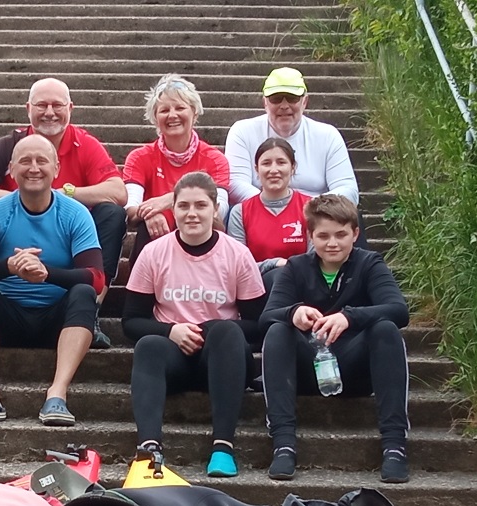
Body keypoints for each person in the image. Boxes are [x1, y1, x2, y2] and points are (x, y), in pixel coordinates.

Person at [0, 77, 125, 348]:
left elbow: (118, 192)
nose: (49, 112)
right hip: (10, 239)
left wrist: (60, 197)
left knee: (111, 214)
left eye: (57, 105)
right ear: (28, 108)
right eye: (41, 105)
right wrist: (15, 200)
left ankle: (90, 314)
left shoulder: (84, 144)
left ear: (71, 108)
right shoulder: (12, 144)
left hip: (69, 241)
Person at [259, 194, 410, 483]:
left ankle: (394, 447)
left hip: (355, 369)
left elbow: (399, 310)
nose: (332, 243)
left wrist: (349, 317)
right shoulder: (295, 267)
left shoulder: (369, 263)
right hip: (306, 371)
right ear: (310, 236)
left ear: (355, 233)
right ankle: (283, 444)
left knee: (386, 329)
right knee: (278, 330)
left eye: (341, 235)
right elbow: (267, 317)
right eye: (323, 235)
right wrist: (294, 312)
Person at [124, 172, 265, 477]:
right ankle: (149, 449)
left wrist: (211, 328)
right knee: (148, 344)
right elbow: (130, 322)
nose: (191, 213)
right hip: (174, 358)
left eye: (200, 205)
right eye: (183, 205)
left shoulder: (237, 254)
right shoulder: (153, 252)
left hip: (223, 360)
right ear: (172, 209)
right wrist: (170, 331)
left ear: (215, 209)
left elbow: (258, 325)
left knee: (227, 330)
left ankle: (223, 446)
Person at [0, 134, 104, 427]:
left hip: (56, 321)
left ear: (57, 168)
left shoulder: (75, 213)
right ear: (11, 169)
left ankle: (57, 394)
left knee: (84, 293)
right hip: (6, 318)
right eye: (25, 161)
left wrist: (47, 273)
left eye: (42, 161)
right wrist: (9, 267)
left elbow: (96, 278)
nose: (34, 168)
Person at [123, 75, 230, 267]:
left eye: (180, 108)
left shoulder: (215, 159)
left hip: (201, 235)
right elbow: (130, 210)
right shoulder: (139, 157)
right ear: (155, 118)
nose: (172, 115)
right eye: (164, 110)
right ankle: (140, 294)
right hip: (157, 237)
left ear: (195, 113)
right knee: (149, 226)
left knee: (203, 221)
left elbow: (219, 211)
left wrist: (170, 200)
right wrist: (150, 213)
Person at [225, 67, 360, 209]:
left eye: (292, 98)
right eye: (276, 99)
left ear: (304, 101)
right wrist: (273, 206)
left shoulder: (328, 135)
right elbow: (235, 184)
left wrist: (304, 208)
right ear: (265, 102)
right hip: (260, 212)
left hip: (316, 217)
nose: (284, 106)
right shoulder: (242, 131)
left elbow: (348, 190)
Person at [226, 137, 312, 290]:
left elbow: (317, 260)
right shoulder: (240, 212)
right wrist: (275, 263)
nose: (274, 170)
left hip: (303, 285)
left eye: (281, 162)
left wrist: (289, 268)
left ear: (293, 167)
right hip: (257, 288)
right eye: (266, 163)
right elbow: (239, 266)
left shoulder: (311, 208)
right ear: (256, 169)